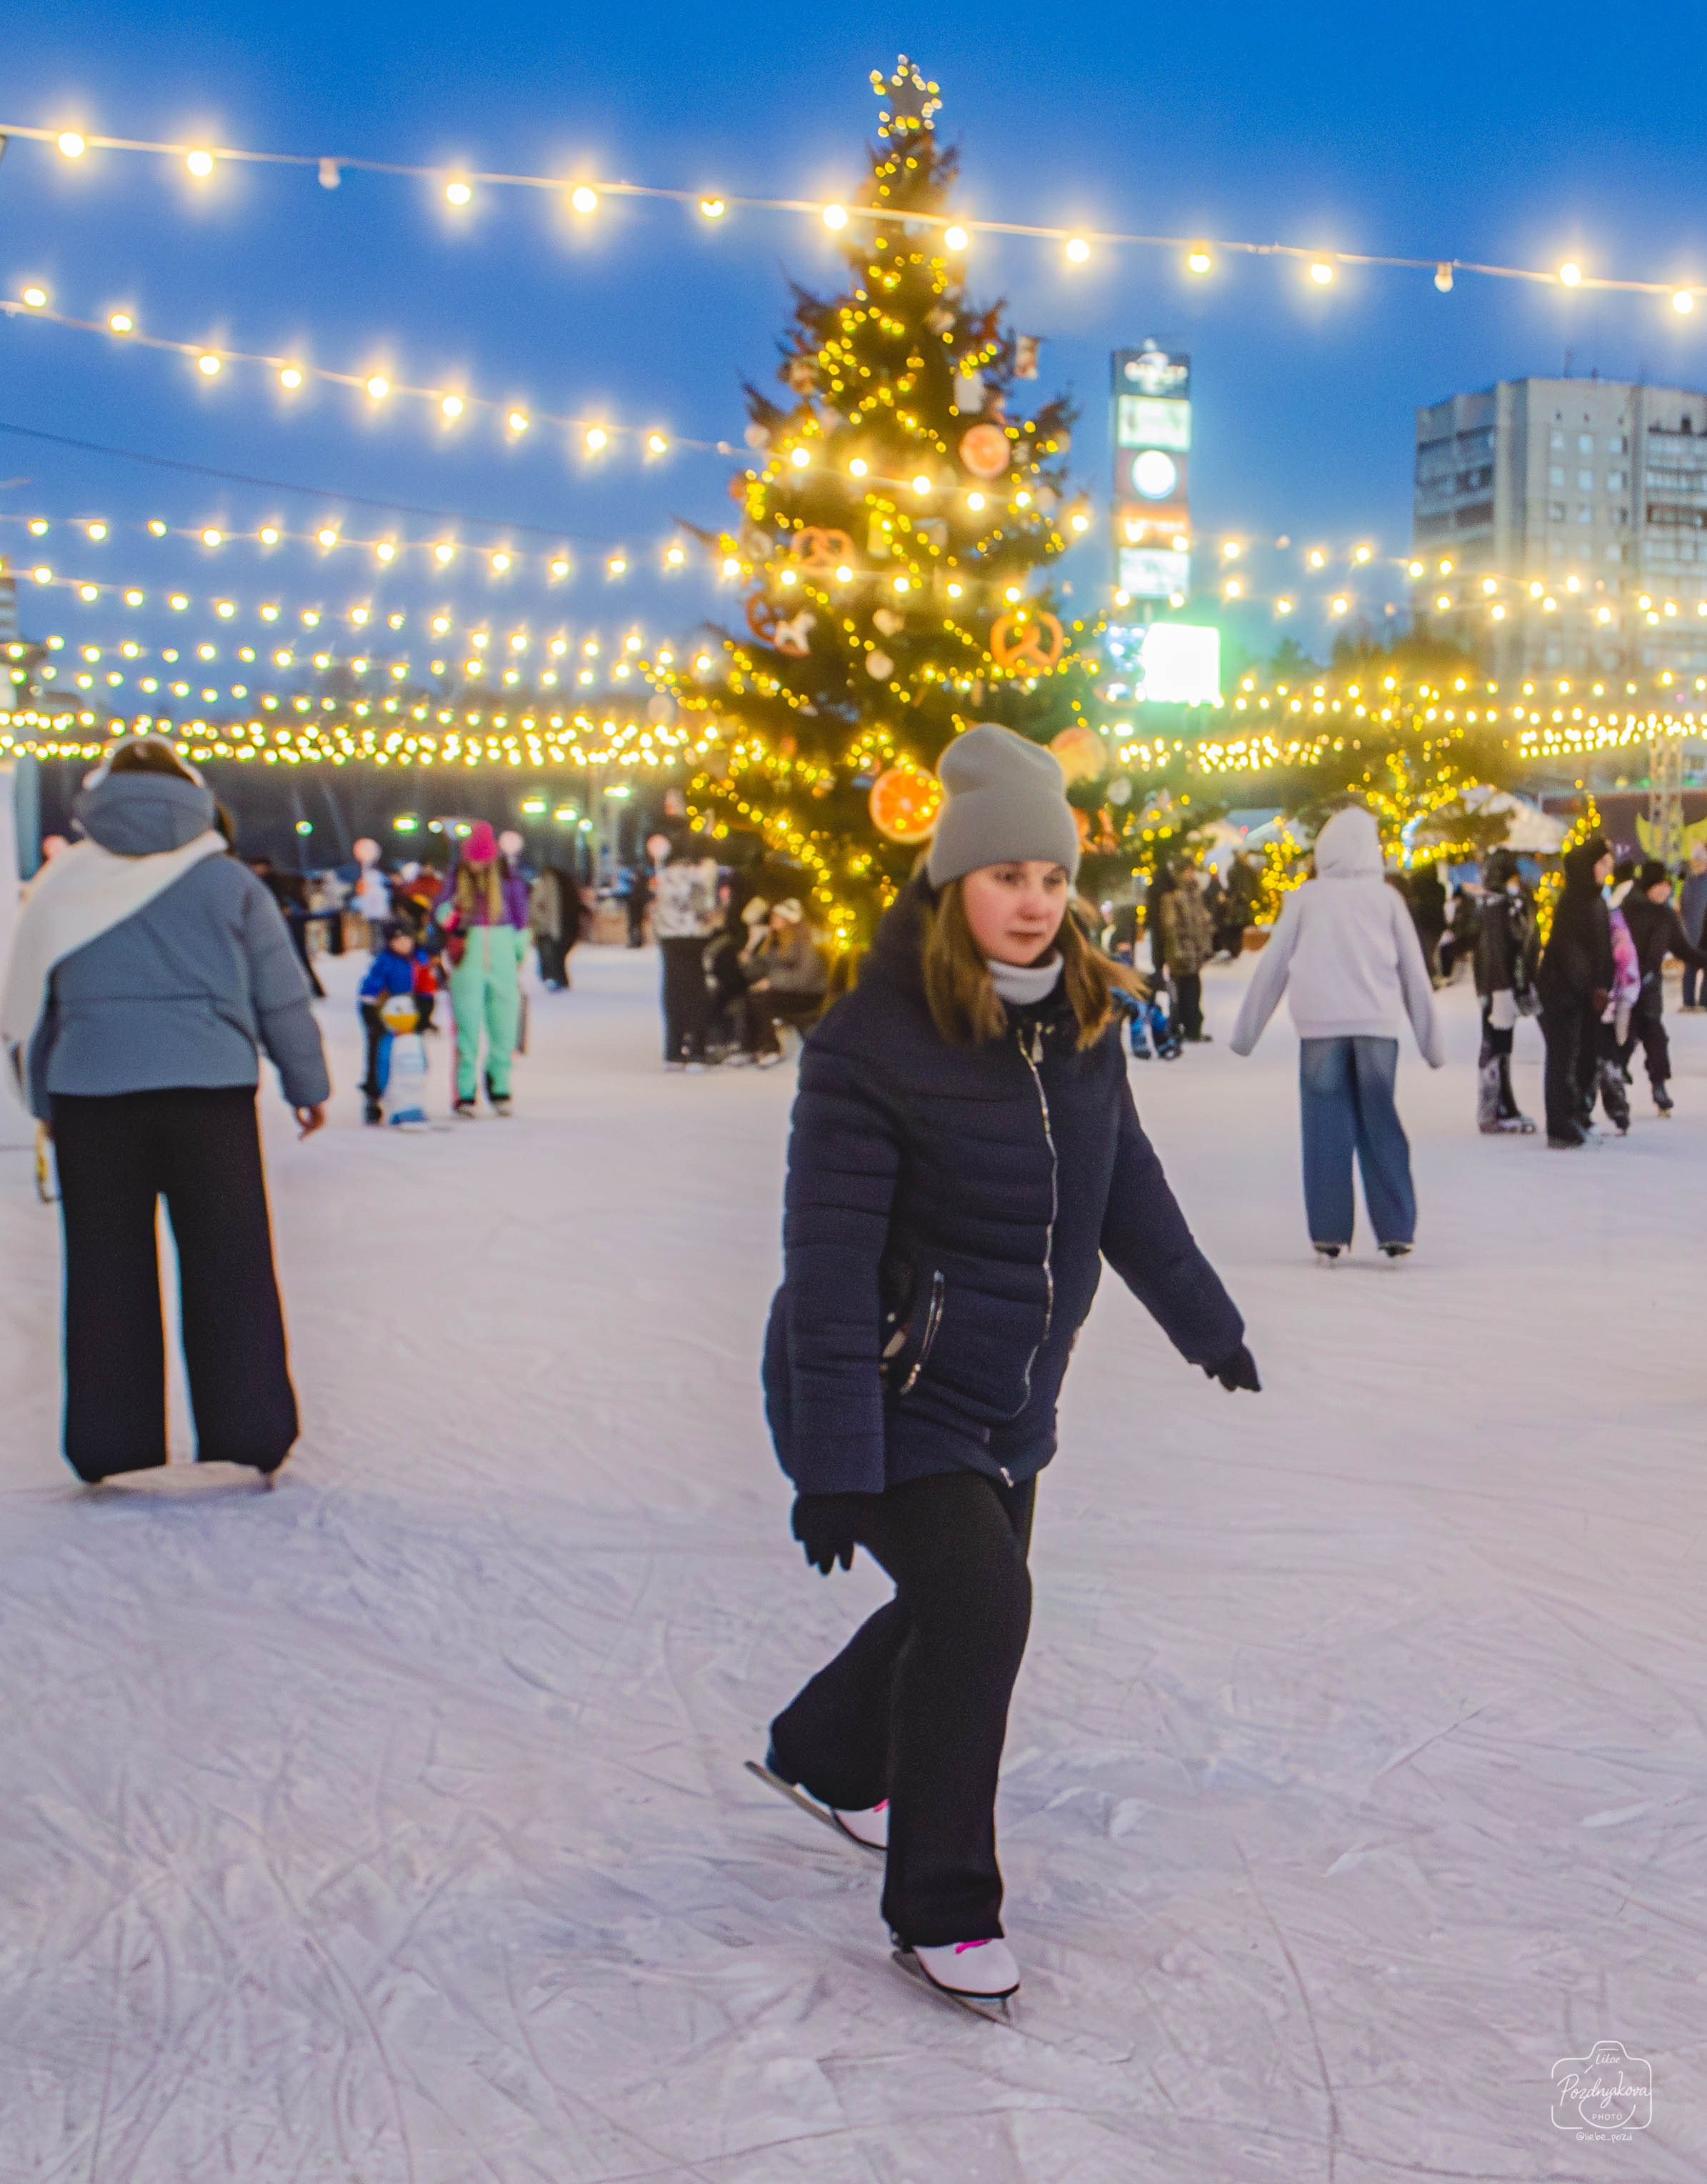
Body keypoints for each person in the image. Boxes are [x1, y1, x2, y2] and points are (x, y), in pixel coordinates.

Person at [756, 726, 1254, 2008]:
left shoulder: (1081, 1017)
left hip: (1007, 1389)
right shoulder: (873, 1040)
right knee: (982, 1606)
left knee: (958, 1603)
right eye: (1004, 875)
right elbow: (825, 1263)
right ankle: (941, 1907)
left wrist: (1208, 1323)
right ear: (948, 883)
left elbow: (1124, 1189)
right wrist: (831, 1465)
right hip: (883, 1383)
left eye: (1051, 874)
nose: (1034, 901)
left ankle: (824, 1749)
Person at [0, 739, 329, 1485]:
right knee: (231, 1264)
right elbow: (278, 991)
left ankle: (111, 1444)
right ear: (194, 794)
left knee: (105, 1271)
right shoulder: (226, 881)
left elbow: (33, 1004)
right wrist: (306, 1084)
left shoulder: (62, 881)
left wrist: (45, 1100)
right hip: (208, 1095)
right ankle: (249, 1432)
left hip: (94, 1097)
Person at [1230, 807, 1443, 1260]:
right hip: (1376, 1027)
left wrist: (1245, 1034)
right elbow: (1413, 972)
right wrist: (1432, 1043)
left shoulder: (1307, 897)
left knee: (1325, 1126)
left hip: (1319, 1027)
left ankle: (1329, 1232)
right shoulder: (1387, 899)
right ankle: (1396, 1229)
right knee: (1380, 1121)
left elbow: (1273, 966)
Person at [436, 822, 529, 1117]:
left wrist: (517, 949)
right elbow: (440, 914)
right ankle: (464, 1092)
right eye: (472, 858)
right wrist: (450, 915)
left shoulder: (509, 882)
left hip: (501, 956)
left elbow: (520, 918)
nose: (476, 864)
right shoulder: (455, 880)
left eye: (481, 858)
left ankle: (499, 1083)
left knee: (504, 1026)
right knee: (467, 1029)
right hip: (468, 960)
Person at [1535, 836, 1614, 1150]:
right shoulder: (1574, 903)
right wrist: (1592, 985)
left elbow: (1601, 949)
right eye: (1602, 863)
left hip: (1584, 996)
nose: (1607, 868)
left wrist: (1603, 983)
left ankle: (1577, 1115)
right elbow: (1571, 952)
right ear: (1588, 867)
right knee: (1563, 1059)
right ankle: (1561, 1125)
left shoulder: (1595, 900)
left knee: (1584, 1056)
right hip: (1563, 995)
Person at [1618, 859, 1707, 1115]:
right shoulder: (1627, 911)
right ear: (1647, 886)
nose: (1664, 891)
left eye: (1667, 887)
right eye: (1659, 886)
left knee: (1656, 1037)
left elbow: (1683, 949)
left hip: (1649, 987)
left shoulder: (1667, 915)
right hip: (1625, 987)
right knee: (1624, 1038)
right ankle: (1615, 1085)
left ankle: (1659, 1087)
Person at [1471, 849, 1539, 1135]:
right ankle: (1496, 1110)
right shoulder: (1505, 907)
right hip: (1501, 986)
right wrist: (1518, 987)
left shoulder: (1484, 906)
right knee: (1499, 1046)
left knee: (1494, 1045)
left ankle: (1500, 1106)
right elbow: (1514, 950)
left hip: (1488, 985)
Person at [649, 832, 721, 1070]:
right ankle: (697, 1051)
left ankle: (673, 1050)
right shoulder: (704, 874)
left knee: (672, 990)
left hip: (669, 937)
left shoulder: (666, 874)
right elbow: (706, 907)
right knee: (696, 991)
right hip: (694, 937)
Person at [740, 899, 828, 1065]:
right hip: (785, 990)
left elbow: (805, 977)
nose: (773, 920)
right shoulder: (773, 942)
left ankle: (770, 1048)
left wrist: (771, 982)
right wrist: (750, 946)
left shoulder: (804, 942)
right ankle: (750, 1047)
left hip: (807, 994)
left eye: (777, 917)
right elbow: (754, 971)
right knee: (750, 996)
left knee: (761, 1000)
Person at [358, 924, 421, 1125]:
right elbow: (371, 987)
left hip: (409, 1017)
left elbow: (424, 985)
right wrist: (371, 1010)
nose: (404, 944)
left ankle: (410, 1097)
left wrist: (425, 1009)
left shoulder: (418, 960)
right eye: (398, 940)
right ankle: (373, 1096)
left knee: (410, 1057)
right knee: (380, 1056)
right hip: (386, 1014)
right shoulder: (384, 962)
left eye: (407, 939)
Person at [1156, 862, 1215, 1041]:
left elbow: (1202, 922)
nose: (1190, 875)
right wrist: (1176, 951)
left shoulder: (1195, 894)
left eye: (1192, 871)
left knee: (1194, 989)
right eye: (1187, 872)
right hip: (1181, 952)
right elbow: (1170, 926)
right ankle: (1180, 1027)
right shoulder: (1173, 896)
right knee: (1182, 991)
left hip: (1194, 952)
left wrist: (1206, 945)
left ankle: (1193, 1027)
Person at [529, 864, 585, 989]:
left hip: (548, 928)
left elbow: (535, 905)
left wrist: (541, 920)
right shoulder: (566, 886)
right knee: (557, 956)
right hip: (562, 927)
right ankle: (559, 980)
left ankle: (553, 979)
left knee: (551, 956)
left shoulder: (545, 884)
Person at [1680, 839, 1707, 1009]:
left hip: (1690, 934)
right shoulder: (1694, 882)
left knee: (1691, 969)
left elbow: (1683, 906)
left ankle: (1689, 1004)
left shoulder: (1689, 882)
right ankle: (1702, 1005)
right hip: (1699, 933)